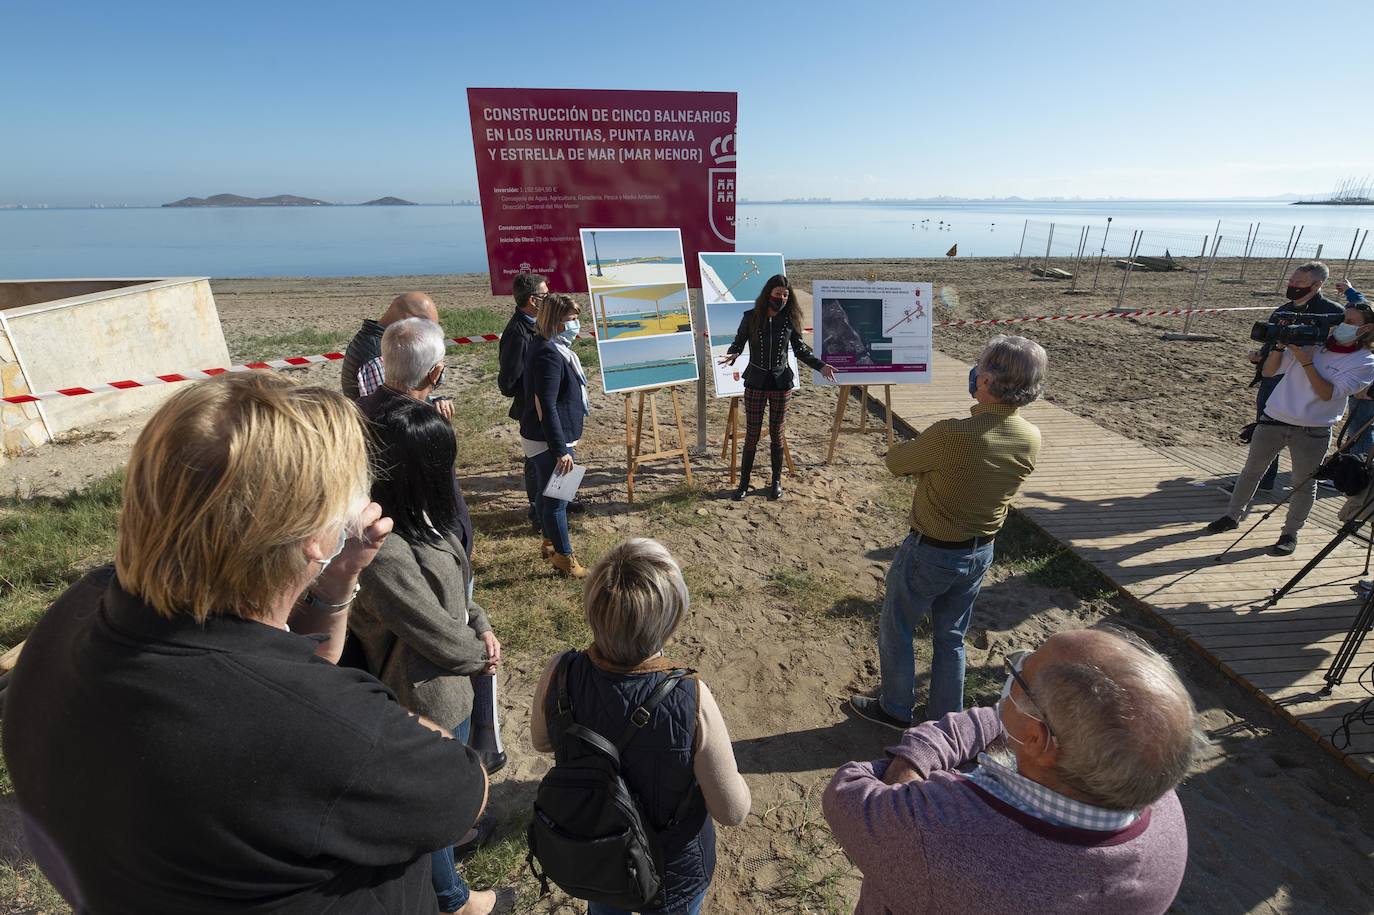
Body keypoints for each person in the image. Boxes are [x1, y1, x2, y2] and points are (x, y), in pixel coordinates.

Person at [2, 372, 488, 914]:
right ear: (314, 535)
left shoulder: (76, 614)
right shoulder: (334, 733)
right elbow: (464, 791)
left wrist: (335, 583)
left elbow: (285, 675)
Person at [823, 628, 1200, 915]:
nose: (1014, 674)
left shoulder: (936, 831)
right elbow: (999, 720)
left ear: (1036, 740)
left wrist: (908, 777)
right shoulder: (1157, 803)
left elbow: (848, 791)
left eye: (1021, 677)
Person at [529, 539, 751, 915]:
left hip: (598, 849)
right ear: (671, 617)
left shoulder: (561, 672)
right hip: (671, 872)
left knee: (604, 902)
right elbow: (732, 811)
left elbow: (541, 741)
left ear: (592, 607)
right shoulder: (690, 696)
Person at [352, 398, 506, 915]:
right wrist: (478, 654)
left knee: (448, 792)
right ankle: (453, 900)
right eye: (446, 461)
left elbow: (457, 594)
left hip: (451, 685)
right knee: (428, 810)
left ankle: (454, 841)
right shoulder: (383, 550)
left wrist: (480, 625)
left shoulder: (420, 515)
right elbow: (431, 631)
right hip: (424, 697)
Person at [850, 335, 1045, 730]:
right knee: (951, 637)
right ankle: (945, 720)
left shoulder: (950, 434)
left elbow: (896, 462)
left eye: (980, 365)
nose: (974, 372)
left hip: (930, 550)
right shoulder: (1030, 437)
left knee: (897, 629)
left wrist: (927, 468)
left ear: (988, 381)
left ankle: (895, 710)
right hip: (980, 551)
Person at [1205, 299, 1374, 554]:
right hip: (1274, 418)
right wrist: (1279, 347)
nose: (1342, 326)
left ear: (1364, 330)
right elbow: (1270, 372)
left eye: (1350, 323)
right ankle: (1232, 516)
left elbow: (1327, 393)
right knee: (1251, 472)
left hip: (1313, 429)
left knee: (1303, 483)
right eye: (1341, 320)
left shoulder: (1365, 361)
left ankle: (1290, 533)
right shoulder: (1315, 345)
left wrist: (1305, 361)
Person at [1224, 262, 1344, 495]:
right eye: (1291, 280)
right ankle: (1261, 481)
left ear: (1317, 284)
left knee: (1299, 436)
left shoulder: (1332, 313)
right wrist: (1260, 357)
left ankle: (1301, 485)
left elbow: (1338, 350)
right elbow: (1273, 344)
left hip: (1306, 383)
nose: (1292, 285)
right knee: (1265, 430)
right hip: (1272, 380)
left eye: (1298, 282)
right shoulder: (1281, 311)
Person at [359, 317, 473, 559]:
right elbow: (443, 498)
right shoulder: (421, 428)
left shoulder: (357, 410)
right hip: (430, 551)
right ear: (435, 373)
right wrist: (460, 543)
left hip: (375, 546)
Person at [718, 274, 837, 501]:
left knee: (777, 434)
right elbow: (739, 341)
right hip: (755, 382)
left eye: (785, 295)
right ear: (768, 294)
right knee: (752, 434)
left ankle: (776, 481)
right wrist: (733, 353)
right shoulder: (751, 317)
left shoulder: (789, 320)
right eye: (777, 294)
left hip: (782, 383)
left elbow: (800, 350)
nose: (781, 298)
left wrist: (820, 366)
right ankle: (744, 483)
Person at [521, 293, 590, 577]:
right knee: (558, 500)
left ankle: (549, 542)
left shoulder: (547, 345)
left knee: (544, 492)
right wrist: (561, 450)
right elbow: (546, 404)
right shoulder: (550, 353)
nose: (576, 325)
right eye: (571, 320)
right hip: (551, 440)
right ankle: (565, 557)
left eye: (576, 318)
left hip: (543, 437)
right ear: (555, 322)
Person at [342, 291, 452, 418]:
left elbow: (402, 396)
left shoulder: (377, 343)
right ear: (410, 320)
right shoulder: (377, 358)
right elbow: (389, 414)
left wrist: (434, 401)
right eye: (428, 329)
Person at [499, 272, 549, 530]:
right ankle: (538, 512)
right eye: (545, 294)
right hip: (533, 409)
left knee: (561, 454)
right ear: (533, 299)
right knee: (536, 462)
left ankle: (560, 500)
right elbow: (507, 382)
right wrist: (533, 388)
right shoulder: (518, 333)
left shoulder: (538, 322)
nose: (549, 297)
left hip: (550, 404)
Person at [1336, 281, 1374, 460]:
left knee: (1361, 429)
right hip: (1365, 384)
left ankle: (1356, 470)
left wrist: (1369, 389)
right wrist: (1349, 291)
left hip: (1367, 391)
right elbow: (1364, 305)